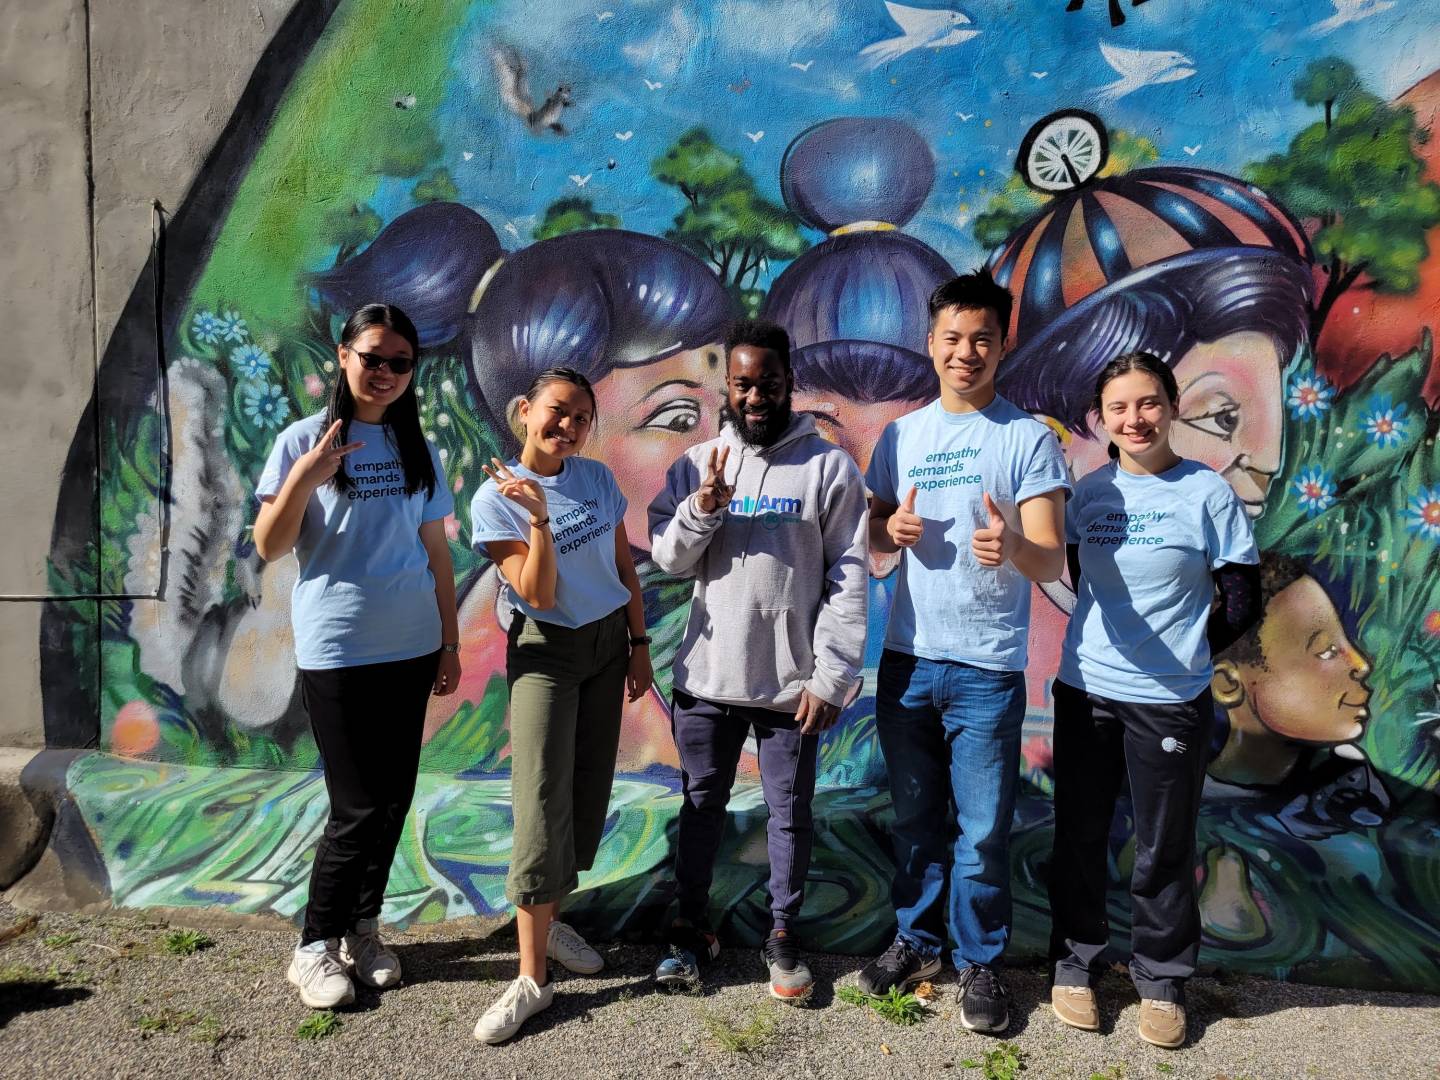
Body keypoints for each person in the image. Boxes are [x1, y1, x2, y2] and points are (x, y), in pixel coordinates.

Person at [861, 270, 1070, 1034]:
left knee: (981, 831)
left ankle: (979, 961)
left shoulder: (1027, 439)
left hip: (987, 669)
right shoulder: (901, 435)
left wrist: (1013, 542)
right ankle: (916, 945)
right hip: (908, 660)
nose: (966, 351)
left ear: (1001, 342)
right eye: (952, 337)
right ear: (930, 343)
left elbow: (1050, 558)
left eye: (982, 337)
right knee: (916, 820)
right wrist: (891, 533)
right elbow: (875, 535)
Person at [645, 318, 869, 1001]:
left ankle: (781, 934)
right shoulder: (696, 465)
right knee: (700, 806)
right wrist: (703, 508)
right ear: (729, 386)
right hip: (709, 681)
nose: (754, 396)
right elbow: (669, 559)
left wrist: (832, 675)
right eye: (741, 383)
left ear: (787, 383)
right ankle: (689, 931)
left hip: (791, 687)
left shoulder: (828, 466)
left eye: (766, 383)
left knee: (788, 813)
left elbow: (850, 574)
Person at [1047, 351, 1260, 1049]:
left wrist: (1186, 652)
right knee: (1079, 833)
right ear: (1100, 417)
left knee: (1162, 846)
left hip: (1169, 702)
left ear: (1169, 407)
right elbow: (1080, 581)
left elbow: (1240, 601)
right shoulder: (1090, 493)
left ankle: (1162, 980)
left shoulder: (1207, 493)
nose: (1134, 419)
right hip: (1085, 692)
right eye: (1118, 407)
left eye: (1147, 403)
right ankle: (1075, 965)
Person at [254, 303, 460, 1009]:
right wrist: (309, 475)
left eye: (400, 363)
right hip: (338, 648)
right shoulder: (301, 441)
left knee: (394, 795)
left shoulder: (416, 448)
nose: (385, 373)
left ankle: (363, 930)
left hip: (411, 645)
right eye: (373, 356)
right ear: (343, 355)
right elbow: (269, 544)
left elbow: (436, 552)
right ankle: (313, 944)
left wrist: (450, 641)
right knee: (357, 804)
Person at [468, 366, 653, 1044]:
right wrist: (539, 516)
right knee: (540, 799)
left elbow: (623, 568)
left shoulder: (598, 480)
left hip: (607, 644)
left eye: (580, 417)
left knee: (583, 790)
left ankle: (552, 920)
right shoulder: (494, 502)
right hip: (546, 650)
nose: (568, 427)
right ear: (524, 411)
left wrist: (638, 643)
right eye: (556, 411)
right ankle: (531, 979)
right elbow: (538, 593)